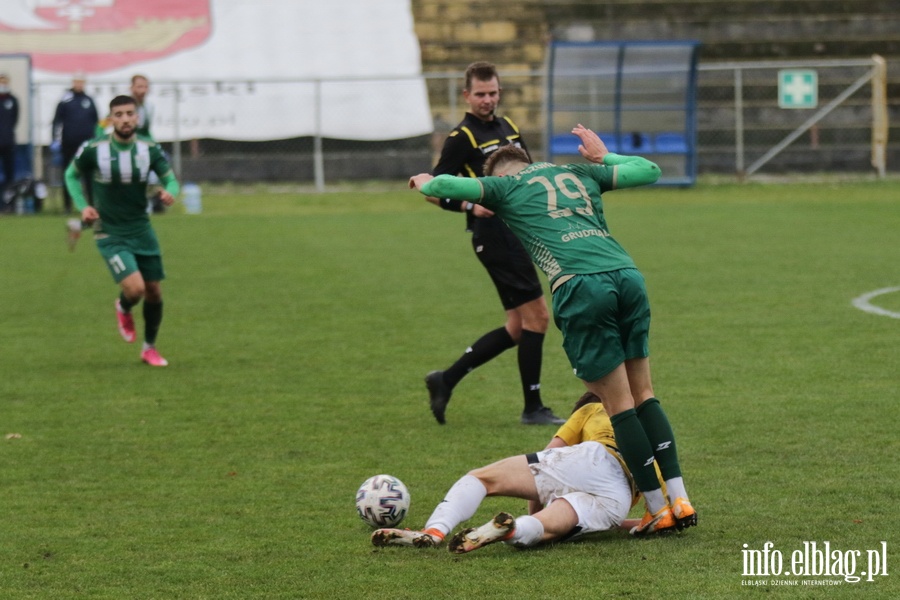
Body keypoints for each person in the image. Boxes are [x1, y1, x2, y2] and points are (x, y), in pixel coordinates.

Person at [408, 125, 696, 536]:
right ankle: (679, 499)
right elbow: (648, 169)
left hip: (581, 284)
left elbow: (443, 184)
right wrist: (604, 156)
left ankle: (655, 508)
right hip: (628, 275)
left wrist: (425, 182)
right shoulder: (580, 173)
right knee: (644, 393)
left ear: (500, 173)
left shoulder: (504, 187)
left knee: (618, 404)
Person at [424, 61, 563, 427]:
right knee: (539, 317)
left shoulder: (510, 128)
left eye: (493, 93)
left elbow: (528, 175)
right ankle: (533, 407)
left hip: (517, 232)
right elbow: (434, 191)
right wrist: (470, 204)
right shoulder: (462, 138)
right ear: (467, 95)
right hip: (495, 238)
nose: (488, 100)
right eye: (481, 94)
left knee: (518, 326)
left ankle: (445, 380)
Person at [372, 392, 671, 553]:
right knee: (545, 529)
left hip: (596, 459)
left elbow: (552, 449)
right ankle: (511, 530)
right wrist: (629, 525)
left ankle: (434, 531)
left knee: (481, 478)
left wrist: (538, 494)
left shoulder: (594, 408)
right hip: (617, 501)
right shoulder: (652, 449)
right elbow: (659, 520)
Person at [64, 95, 180, 367]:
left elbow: (171, 180)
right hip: (110, 232)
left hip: (141, 228)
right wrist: (83, 206)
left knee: (154, 291)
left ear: (137, 117)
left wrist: (169, 193)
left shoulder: (149, 149)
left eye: (130, 113)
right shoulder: (95, 148)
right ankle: (123, 306)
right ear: (111, 119)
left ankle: (149, 348)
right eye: (119, 114)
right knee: (136, 289)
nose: (125, 119)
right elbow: (70, 174)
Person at [52, 72, 99, 213]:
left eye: (81, 82)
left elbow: (96, 121)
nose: (79, 84)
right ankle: (67, 206)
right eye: (76, 82)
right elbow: (56, 121)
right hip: (68, 144)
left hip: (87, 145)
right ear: (73, 82)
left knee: (89, 175)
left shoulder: (89, 100)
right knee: (69, 173)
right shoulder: (65, 100)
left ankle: (91, 204)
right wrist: (55, 140)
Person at [0, 73, 19, 210]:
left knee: (9, 176)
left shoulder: (13, 100)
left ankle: (9, 204)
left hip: (8, 143)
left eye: (5, 82)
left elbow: (15, 120)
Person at [130, 74, 154, 139]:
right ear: (132, 88)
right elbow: (103, 125)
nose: (143, 91)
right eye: (140, 87)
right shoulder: (123, 105)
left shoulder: (149, 107)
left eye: (146, 87)